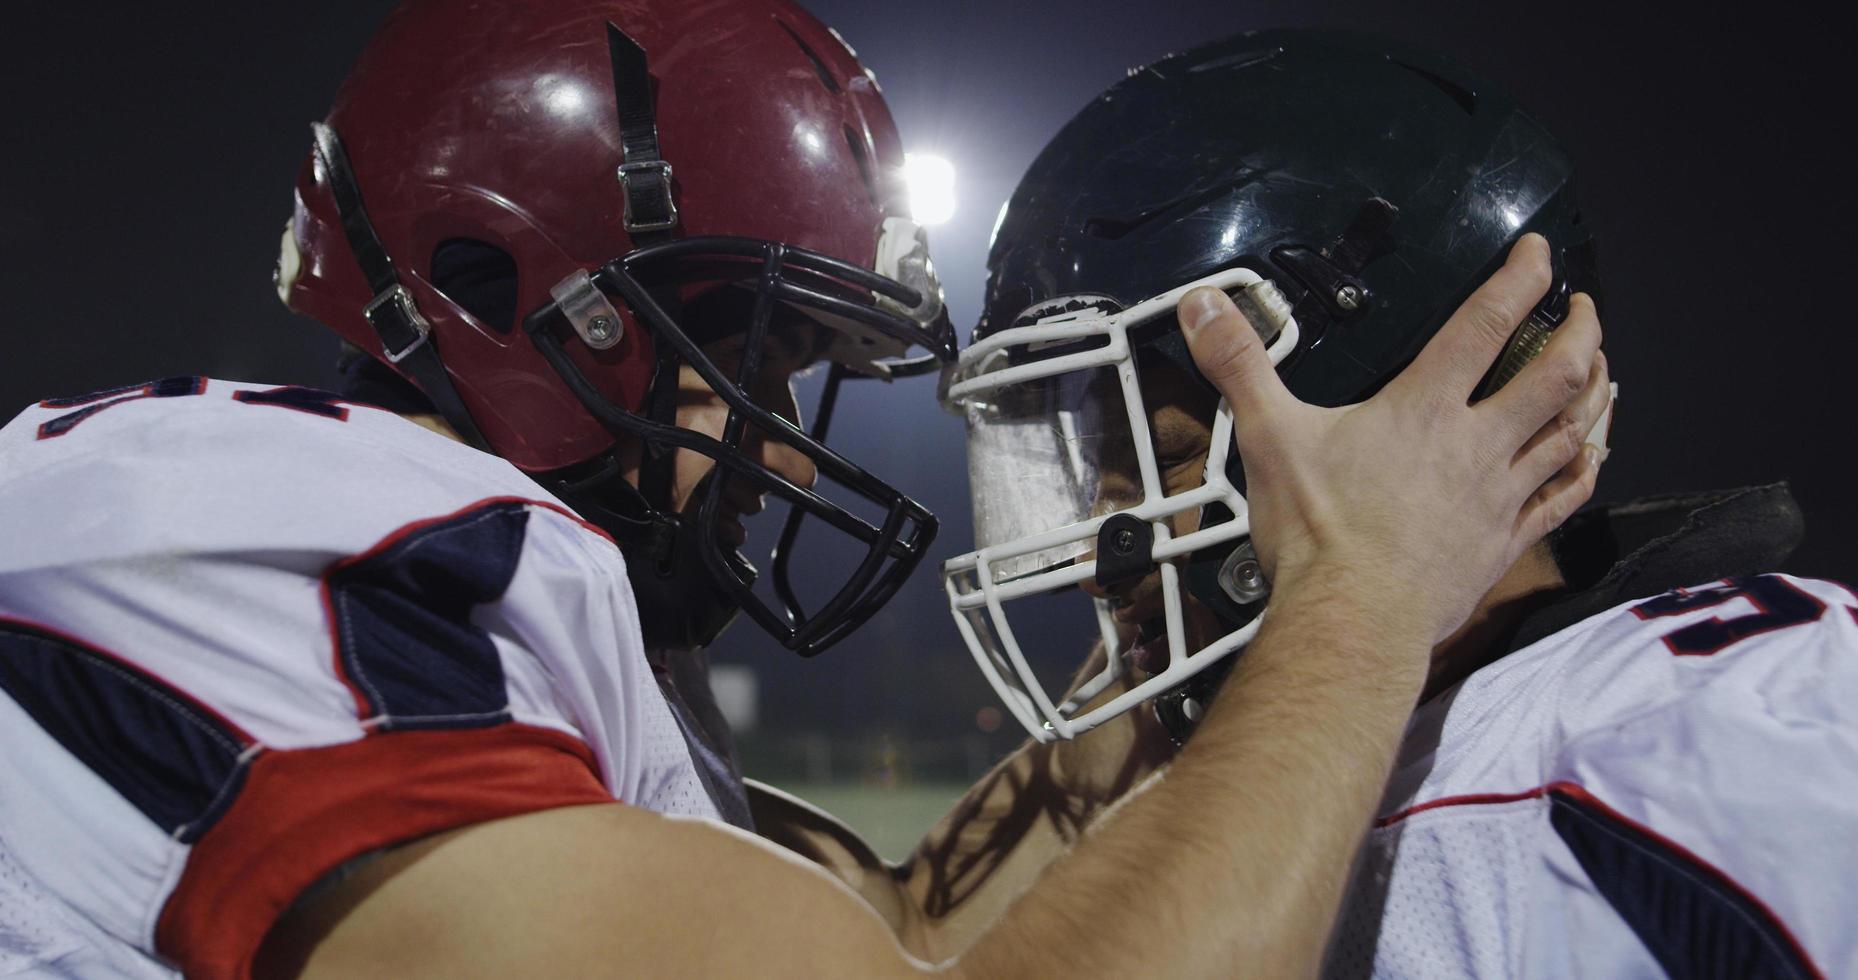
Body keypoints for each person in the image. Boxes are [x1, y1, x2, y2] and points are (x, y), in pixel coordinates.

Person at [0, 8, 1600, 980]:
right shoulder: (289, 530)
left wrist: (1200, 614)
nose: (779, 447)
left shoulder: (506, 642)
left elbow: (908, 930)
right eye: (747, 365)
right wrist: (1364, 601)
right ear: (518, 302)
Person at [941, 29, 1853, 978]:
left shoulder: (1689, 755)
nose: (1098, 556)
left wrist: (1348, 587)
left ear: (1404, 418)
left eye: (1168, 461)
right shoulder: (1337, 746)